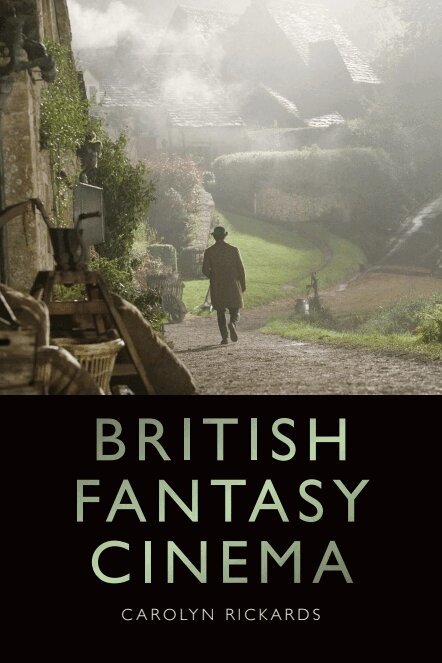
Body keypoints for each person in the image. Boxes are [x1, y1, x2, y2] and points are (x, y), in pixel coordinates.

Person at [202, 226, 246, 345]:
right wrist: (243, 284)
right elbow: (241, 269)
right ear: (225, 236)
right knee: (235, 309)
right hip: (232, 283)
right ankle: (233, 323)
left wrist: (213, 276)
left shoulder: (209, 251)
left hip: (217, 285)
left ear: (214, 237)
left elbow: (205, 270)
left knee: (220, 312)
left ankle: (225, 338)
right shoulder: (233, 250)